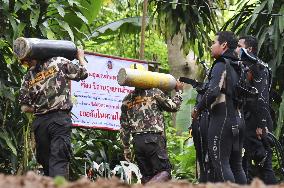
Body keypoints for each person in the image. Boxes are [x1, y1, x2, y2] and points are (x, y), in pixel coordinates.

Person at [18, 49, 88, 179]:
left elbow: (24, 107)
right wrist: (81, 58)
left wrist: (41, 107)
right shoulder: (59, 61)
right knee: (59, 160)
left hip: (40, 124)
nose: (27, 64)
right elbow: (83, 73)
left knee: (46, 162)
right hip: (59, 120)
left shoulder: (28, 76)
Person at [192, 31, 247, 184]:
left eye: (213, 43)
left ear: (223, 45)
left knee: (221, 164)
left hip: (222, 120)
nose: (210, 46)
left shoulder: (221, 64)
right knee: (236, 165)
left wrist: (198, 109)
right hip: (239, 119)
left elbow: (212, 91)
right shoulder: (239, 65)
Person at [120, 65, 184, 184]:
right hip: (153, 139)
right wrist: (179, 91)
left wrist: (126, 148)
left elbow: (124, 127)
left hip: (137, 142)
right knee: (164, 173)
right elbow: (173, 106)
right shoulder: (154, 92)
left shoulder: (127, 100)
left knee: (147, 176)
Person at [237, 35, 277, 184]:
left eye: (239, 46)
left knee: (262, 163)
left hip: (256, 122)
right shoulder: (260, 65)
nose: (236, 48)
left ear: (249, 49)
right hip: (256, 119)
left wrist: (261, 124)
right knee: (251, 164)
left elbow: (260, 97)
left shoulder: (255, 66)